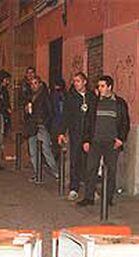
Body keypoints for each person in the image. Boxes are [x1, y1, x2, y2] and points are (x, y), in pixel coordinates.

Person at [77, 75, 130, 207]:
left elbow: (125, 123)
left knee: (111, 170)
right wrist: (86, 140)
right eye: (98, 86)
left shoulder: (119, 103)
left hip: (112, 143)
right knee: (91, 169)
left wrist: (121, 139)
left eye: (102, 86)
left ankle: (108, 198)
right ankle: (89, 197)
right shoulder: (94, 103)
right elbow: (88, 122)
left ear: (109, 87)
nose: (99, 89)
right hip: (95, 141)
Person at [58, 72, 97, 201]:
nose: (75, 84)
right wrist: (62, 132)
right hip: (75, 133)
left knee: (89, 163)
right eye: (74, 81)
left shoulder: (91, 97)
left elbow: (93, 117)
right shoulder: (70, 97)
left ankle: (90, 189)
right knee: (74, 160)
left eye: (78, 81)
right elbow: (65, 116)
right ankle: (73, 188)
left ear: (84, 82)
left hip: (89, 134)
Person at [24, 76, 58, 182]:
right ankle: (37, 173)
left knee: (46, 150)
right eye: (31, 84)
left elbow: (50, 111)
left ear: (39, 84)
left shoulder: (45, 96)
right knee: (33, 150)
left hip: (41, 125)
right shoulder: (30, 97)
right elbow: (28, 113)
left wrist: (44, 123)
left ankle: (56, 171)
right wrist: (26, 112)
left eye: (35, 83)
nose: (33, 86)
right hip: (32, 126)